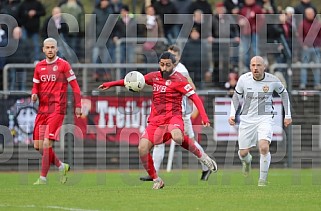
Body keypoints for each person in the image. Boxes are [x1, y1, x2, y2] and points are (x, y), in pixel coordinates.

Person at [98, 52, 217, 189]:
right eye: (162, 65)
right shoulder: (154, 76)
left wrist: (204, 116)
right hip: (155, 121)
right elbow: (133, 81)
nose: (164, 68)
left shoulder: (180, 80)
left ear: (173, 65)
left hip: (174, 116)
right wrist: (110, 84)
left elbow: (195, 97)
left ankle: (203, 157)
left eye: (167, 65)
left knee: (178, 137)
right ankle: (157, 179)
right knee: (142, 148)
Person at [139, 45, 211, 182]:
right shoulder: (164, 70)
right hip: (166, 115)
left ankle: (205, 165)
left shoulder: (181, 70)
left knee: (189, 141)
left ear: (178, 57)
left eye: (173, 55)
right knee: (158, 143)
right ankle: (154, 173)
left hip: (181, 113)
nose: (170, 58)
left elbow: (192, 89)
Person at [228, 56, 292, 186]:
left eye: (258, 65)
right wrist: (232, 114)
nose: (255, 68)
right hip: (247, 119)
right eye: (253, 65)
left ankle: (262, 181)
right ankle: (247, 162)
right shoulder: (244, 79)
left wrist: (288, 115)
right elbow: (236, 97)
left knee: (263, 147)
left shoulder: (273, 80)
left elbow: (284, 94)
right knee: (243, 153)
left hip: (265, 117)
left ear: (264, 67)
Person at [32, 38, 82, 185]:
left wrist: (78, 105)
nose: (50, 50)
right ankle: (61, 166)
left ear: (56, 48)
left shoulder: (63, 65)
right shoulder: (39, 67)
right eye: (47, 47)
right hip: (42, 110)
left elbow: (75, 87)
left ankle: (43, 178)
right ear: (43, 49)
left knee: (47, 143)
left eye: (52, 47)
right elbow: (35, 86)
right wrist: (34, 94)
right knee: (38, 146)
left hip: (57, 109)